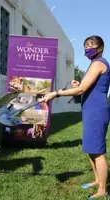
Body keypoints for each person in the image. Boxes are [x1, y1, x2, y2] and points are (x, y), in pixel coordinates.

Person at [40, 35, 109, 199]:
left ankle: (103, 190)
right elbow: (86, 87)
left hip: (97, 111)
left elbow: (81, 90)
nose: (87, 48)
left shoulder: (99, 63)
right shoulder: (94, 64)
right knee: (91, 148)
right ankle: (97, 180)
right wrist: (80, 85)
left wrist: (55, 93)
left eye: (91, 45)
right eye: (85, 45)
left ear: (99, 48)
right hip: (90, 109)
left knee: (98, 151)